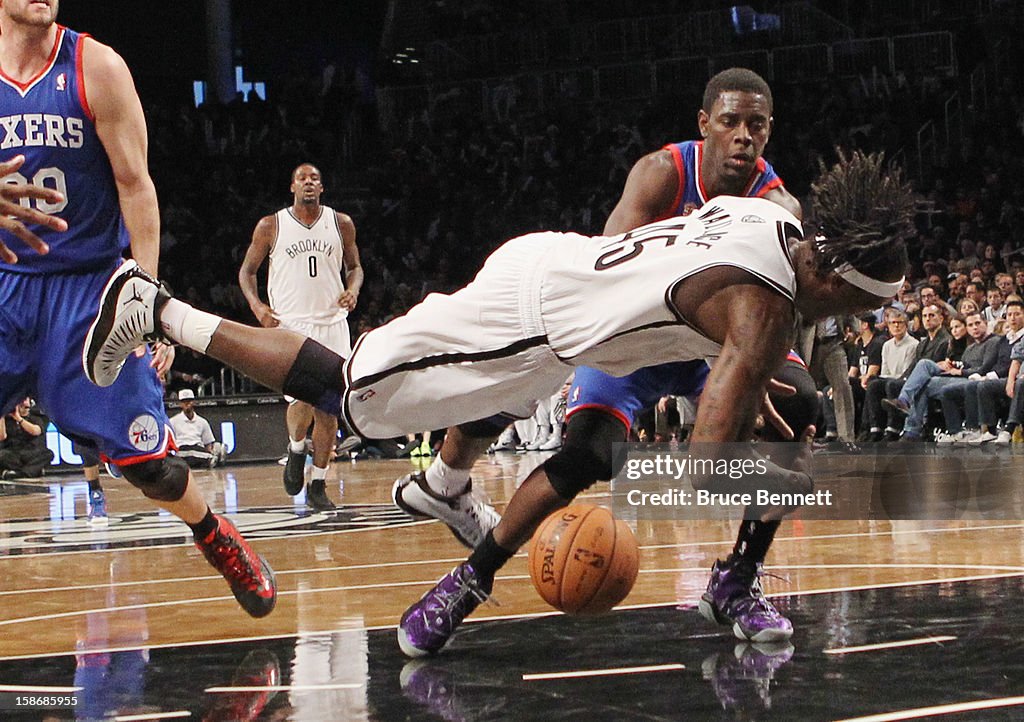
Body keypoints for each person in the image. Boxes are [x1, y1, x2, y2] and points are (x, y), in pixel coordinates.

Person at [85, 150, 912, 654]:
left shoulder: (769, 216)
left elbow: (707, 318)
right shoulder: (766, 309)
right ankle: (160, 311)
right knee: (350, 391)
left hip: (563, 310)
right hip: (532, 316)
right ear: (838, 282)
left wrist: (746, 392)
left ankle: (448, 490)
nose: (855, 323)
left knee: (781, 415)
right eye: (859, 309)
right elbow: (698, 473)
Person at [390, 69, 813, 646]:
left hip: (712, 343)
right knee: (588, 452)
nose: (744, 136)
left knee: (799, 404)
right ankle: (467, 581)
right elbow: (608, 278)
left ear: (769, 133)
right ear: (704, 125)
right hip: (633, 331)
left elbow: (774, 304)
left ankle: (737, 581)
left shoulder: (777, 204)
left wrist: (751, 366)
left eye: (756, 126)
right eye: (731, 122)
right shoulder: (662, 174)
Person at [0, 2, 274, 616]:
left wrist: (143, 299)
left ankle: (216, 535)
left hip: (86, 289)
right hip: (6, 285)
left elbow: (135, 184)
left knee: (154, 468)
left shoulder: (96, 66)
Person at [239, 162, 362, 511]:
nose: (309, 183)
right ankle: (296, 448)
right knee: (300, 402)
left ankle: (319, 485)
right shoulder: (271, 225)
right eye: (302, 179)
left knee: (329, 409)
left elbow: (355, 267)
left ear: (322, 188)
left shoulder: (341, 224)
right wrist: (258, 307)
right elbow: (247, 272)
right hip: (291, 325)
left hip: (333, 323)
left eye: (315, 179)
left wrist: (353, 289)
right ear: (292, 186)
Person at [169, 389, 227, 469]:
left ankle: (210, 457)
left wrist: (209, 450)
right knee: (182, 454)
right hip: (181, 449)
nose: (187, 404)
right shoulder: (172, 421)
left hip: (197, 448)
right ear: (180, 404)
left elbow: (208, 444)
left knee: (197, 451)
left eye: (189, 401)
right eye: (184, 402)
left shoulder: (202, 422)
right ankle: (211, 458)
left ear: (193, 402)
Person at [0, 397, 52, 479]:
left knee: (47, 454)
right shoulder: (7, 419)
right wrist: (2, 416)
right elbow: (2, 437)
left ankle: (21, 473)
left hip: (30, 452)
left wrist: (19, 418)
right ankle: (33, 471)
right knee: (2, 455)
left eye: (24, 401)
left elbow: (36, 431)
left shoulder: (35, 417)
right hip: (12, 452)